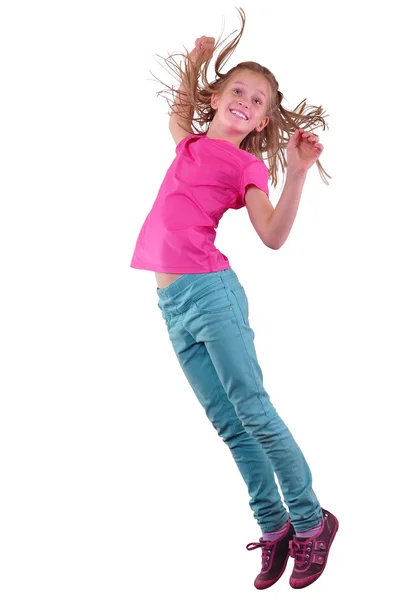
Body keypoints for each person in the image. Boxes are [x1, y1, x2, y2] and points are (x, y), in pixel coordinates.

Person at [130, 7, 338, 590]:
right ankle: (274, 529)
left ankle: (312, 521)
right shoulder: (190, 144)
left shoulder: (246, 165)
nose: (245, 100)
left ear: (262, 122)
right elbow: (177, 110)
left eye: (259, 100)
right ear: (218, 97)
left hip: (211, 294)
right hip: (171, 306)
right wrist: (197, 60)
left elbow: (271, 236)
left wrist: (295, 174)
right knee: (227, 421)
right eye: (238, 90)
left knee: (253, 410)